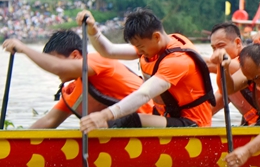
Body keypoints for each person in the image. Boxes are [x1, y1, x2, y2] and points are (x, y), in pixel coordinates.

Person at [76, 8, 215, 132]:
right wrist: (92, 29)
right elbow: (109, 51)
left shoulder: (177, 60)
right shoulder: (153, 46)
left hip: (193, 125)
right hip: (167, 117)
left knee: (129, 119)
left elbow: (144, 94)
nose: (139, 51)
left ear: (156, 37)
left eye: (141, 47)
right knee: (119, 116)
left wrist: (103, 115)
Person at [1, 30, 153, 129]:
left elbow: (57, 67)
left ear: (75, 56)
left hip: (153, 124)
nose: (53, 69)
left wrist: (24, 49)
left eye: (55, 60)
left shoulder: (98, 60)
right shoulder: (75, 89)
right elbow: (48, 121)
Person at [210, 22, 259, 125]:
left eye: (221, 46)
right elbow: (207, 111)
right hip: (252, 125)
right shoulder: (228, 78)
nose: (216, 53)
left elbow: (207, 64)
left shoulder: (252, 60)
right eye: (214, 48)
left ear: (238, 43)